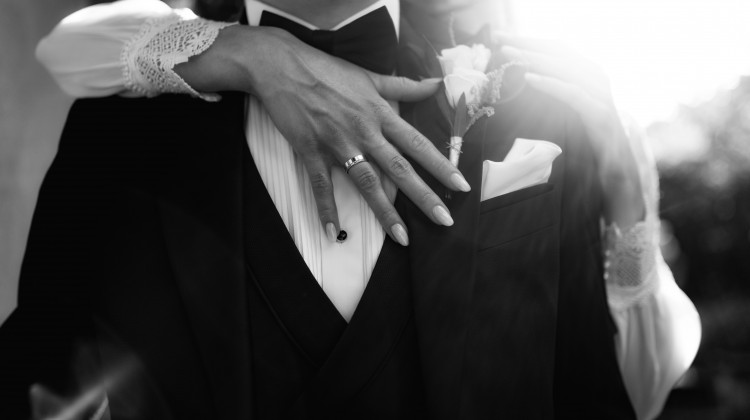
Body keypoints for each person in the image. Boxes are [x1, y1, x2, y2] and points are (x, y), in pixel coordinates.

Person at [0, 0, 700, 419]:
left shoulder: (537, 106)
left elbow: (607, 392)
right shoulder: (122, 128)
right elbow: (38, 377)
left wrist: (625, 186)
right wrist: (249, 52)